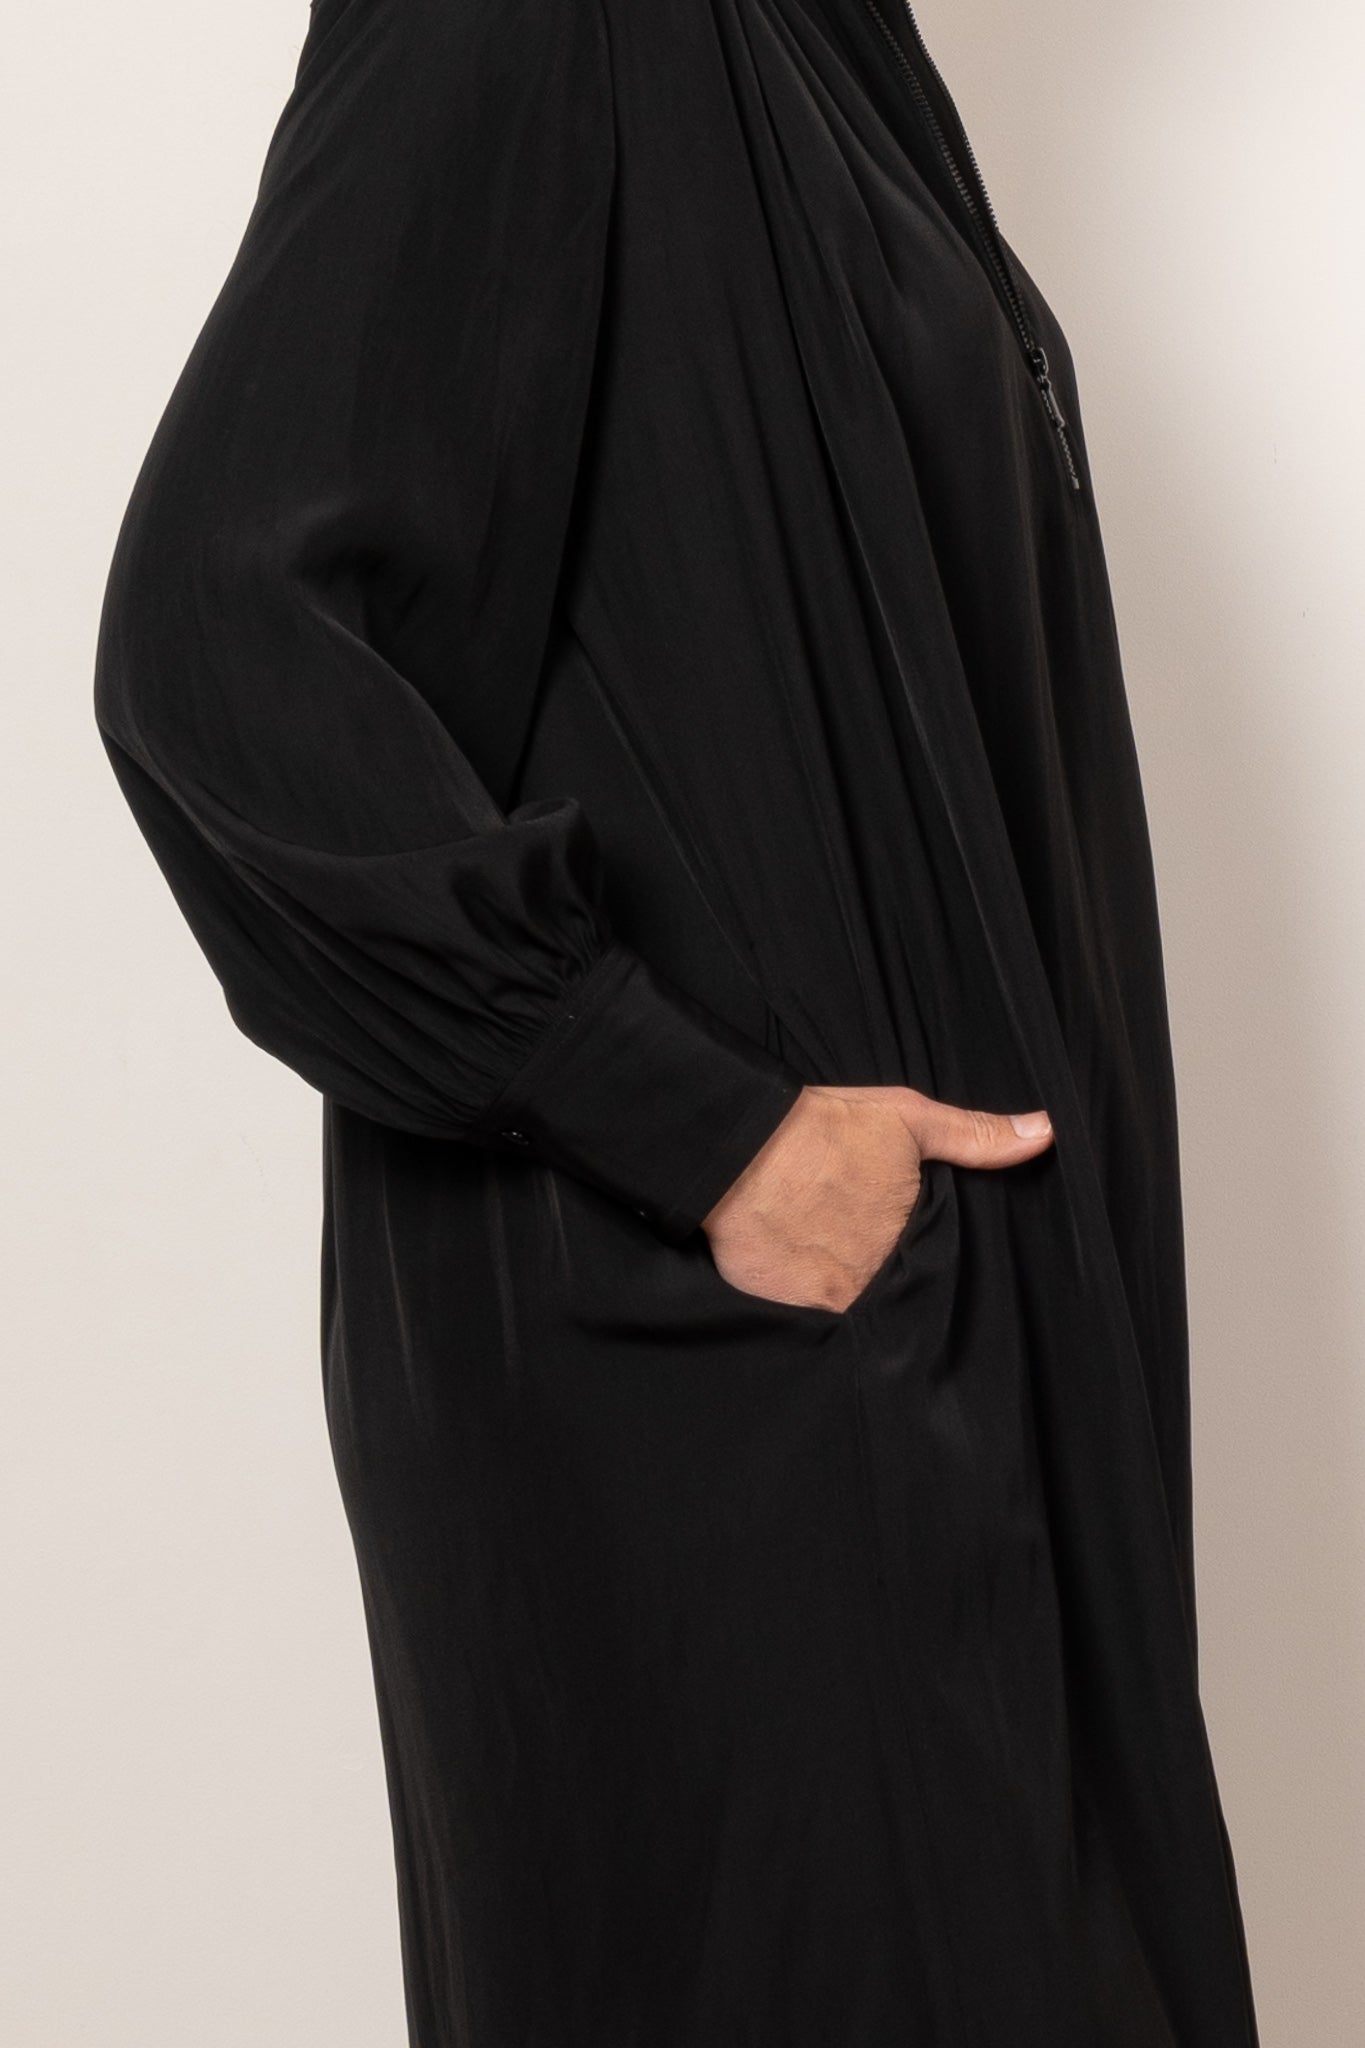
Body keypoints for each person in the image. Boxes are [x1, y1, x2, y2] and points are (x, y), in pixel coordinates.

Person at [93, 0, 1261, 2041]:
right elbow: (214, 640)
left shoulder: (827, 42)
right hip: (731, 1403)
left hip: (911, 1370)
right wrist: (691, 1122)